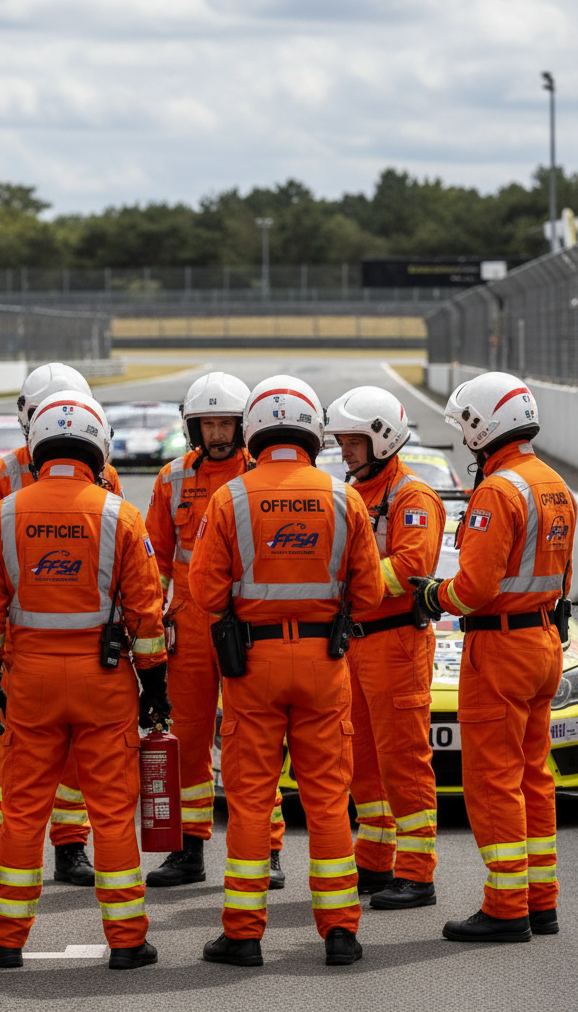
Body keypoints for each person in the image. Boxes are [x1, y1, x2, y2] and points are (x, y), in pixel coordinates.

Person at [0, 389, 168, 970]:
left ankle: (5, 939)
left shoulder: (6, 512)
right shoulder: (119, 515)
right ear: (97, 448)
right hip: (103, 680)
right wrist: (153, 684)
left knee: (25, 810)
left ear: (36, 448)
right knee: (110, 811)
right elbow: (146, 612)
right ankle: (128, 940)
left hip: (28, 678)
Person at [190, 375, 384, 967]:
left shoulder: (231, 498)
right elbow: (372, 592)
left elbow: (202, 591)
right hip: (327, 663)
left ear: (253, 431)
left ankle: (244, 935)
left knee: (250, 801)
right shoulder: (344, 497)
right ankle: (341, 933)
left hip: (251, 664)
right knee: (328, 801)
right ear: (312, 433)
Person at [411, 372, 574, 943]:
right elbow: (563, 574)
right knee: (534, 776)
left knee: (493, 779)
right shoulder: (553, 482)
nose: (465, 439)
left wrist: (433, 594)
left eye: (466, 427)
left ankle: (506, 907)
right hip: (545, 642)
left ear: (487, 424)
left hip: (500, 646)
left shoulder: (499, 490)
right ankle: (541, 901)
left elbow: (474, 587)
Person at [0, 363, 124, 889]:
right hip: (23, 640)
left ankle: (70, 845)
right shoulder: (2, 475)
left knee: (76, 759)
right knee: (21, 760)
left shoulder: (104, 474)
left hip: (81, 639)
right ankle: (8, 846)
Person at [144, 372, 286, 888]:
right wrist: (151, 615)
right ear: (192, 428)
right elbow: (154, 559)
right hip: (186, 628)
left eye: (225, 422)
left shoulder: (261, 475)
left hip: (247, 624)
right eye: (207, 424)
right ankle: (187, 850)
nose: (217, 433)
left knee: (253, 742)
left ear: (244, 424)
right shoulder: (171, 479)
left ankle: (266, 850)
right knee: (186, 740)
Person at [325, 386, 445, 909]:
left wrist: (354, 579)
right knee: (363, 763)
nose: (345, 451)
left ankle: (418, 874)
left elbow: (411, 568)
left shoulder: (411, 497)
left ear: (382, 437)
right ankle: (374, 864)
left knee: (405, 761)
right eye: (342, 441)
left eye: (353, 441)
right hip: (357, 644)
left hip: (397, 644)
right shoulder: (355, 493)